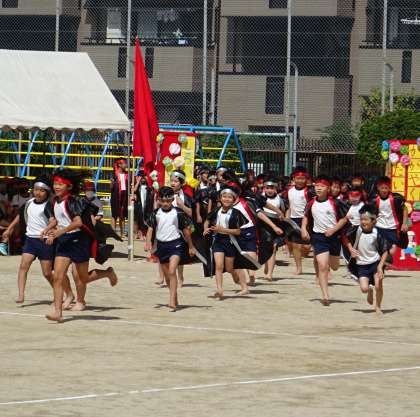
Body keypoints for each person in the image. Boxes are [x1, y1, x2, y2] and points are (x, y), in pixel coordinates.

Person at [44, 169, 112, 322]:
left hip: (78, 240)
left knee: (83, 278)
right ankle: (58, 312)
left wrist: (60, 231)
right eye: (55, 184)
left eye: (60, 184)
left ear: (69, 186)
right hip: (64, 241)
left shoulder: (73, 201)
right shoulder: (54, 201)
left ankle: (107, 273)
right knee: (58, 277)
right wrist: (48, 229)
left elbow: (78, 222)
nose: (56, 187)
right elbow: (58, 220)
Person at [2, 176, 74, 305]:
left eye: (42, 190)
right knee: (23, 267)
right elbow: (19, 216)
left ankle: (64, 293)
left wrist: (47, 231)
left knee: (47, 273)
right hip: (30, 240)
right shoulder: (29, 203)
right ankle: (21, 295)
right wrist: (9, 229)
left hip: (44, 241)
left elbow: (53, 221)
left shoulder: (48, 205)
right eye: (36, 190)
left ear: (47, 192)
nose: (38, 193)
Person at [145, 187, 195, 312]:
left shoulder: (178, 213)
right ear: (159, 200)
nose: (165, 203)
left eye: (168, 201)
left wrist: (191, 246)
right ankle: (174, 295)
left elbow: (186, 231)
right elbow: (150, 229)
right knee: (167, 276)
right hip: (161, 246)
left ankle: (172, 300)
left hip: (176, 244)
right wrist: (148, 243)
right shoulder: (155, 213)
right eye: (163, 201)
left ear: (172, 200)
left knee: (172, 271)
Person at [301, 175, 349, 306]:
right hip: (319, 237)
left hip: (334, 237)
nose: (318, 188)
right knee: (322, 265)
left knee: (334, 267)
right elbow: (306, 217)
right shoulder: (311, 203)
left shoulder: (335, 203)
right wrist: (303, 229)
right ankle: (325, 295)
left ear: (328, 188)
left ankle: (332, 266)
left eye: (321, 186)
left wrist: (333, 230)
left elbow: (344, 219)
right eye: (316, 186)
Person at [204, 185, 250, 299]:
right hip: (218, 240)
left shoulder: (236, 213)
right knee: (219, 266)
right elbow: (207, 220)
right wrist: (205, 228)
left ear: (234, 200)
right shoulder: (216, 210)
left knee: (230, 268)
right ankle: (220, 289)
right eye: (224, 196)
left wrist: (223, 229)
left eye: (230, 197)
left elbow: (238, 232)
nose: (226, 199)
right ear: (220, 198)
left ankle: (243, 285)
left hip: (231, 241)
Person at [344, 205, 390, 314]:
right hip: (361, 265)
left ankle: (378, 307)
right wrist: (351, 249)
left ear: (373, 221)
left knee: (378, 286)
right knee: (364, 289)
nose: (363, 222)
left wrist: (380, 267)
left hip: (375, 263)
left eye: (366, 219)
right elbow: (346, 238)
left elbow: (385, 251)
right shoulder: (357, 230)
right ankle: (369, 290)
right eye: (361, 219)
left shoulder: (377, 233)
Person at [284, 167, 315, 275]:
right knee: (296, 245)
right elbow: (288, 206)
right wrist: (287, 219)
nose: (300, 181)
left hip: (307, 220)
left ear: (306, 179)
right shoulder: (289, 191)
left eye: (302, 178)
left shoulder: (309, 191)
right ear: (294, 179)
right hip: (294, 220)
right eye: (298, 178)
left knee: (307, 246)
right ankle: (299, 268)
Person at [371, 176, 408, 258]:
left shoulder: (396, 198)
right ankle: (381, 264)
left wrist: (404, 223)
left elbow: (405, 209)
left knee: (392, 251)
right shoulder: (374, 199)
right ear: (378, 188)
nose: (384, 190)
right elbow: (372, 213)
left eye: (386, 188)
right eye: (382, 188)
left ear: (389, 188)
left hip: (393, 228)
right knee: (378, 249)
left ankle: (384, 262)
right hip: (379, 227)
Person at [261, 177, 287, 281]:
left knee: (273, 248)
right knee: (264, 248)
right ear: (264, 188)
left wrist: (284, 219)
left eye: (272, 188)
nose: (269, 190)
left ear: (276, 188)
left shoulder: (280, 200)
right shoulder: (260, 198)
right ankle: (266, 265)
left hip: (276, 225)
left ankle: (270, 274)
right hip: (263, 225)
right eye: (267, 188)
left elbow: (284, 211)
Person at [110, 158, 128, 238]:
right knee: (114, 215)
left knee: (122, 216)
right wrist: (112, 183)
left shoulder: (127, 174)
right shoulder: (114, 174)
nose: (126, 165)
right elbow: (111, 188)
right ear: (120, 165)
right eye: (124, 163)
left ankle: (122, 233)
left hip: (124, 197)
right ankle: (113, 233)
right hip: (115, 196)